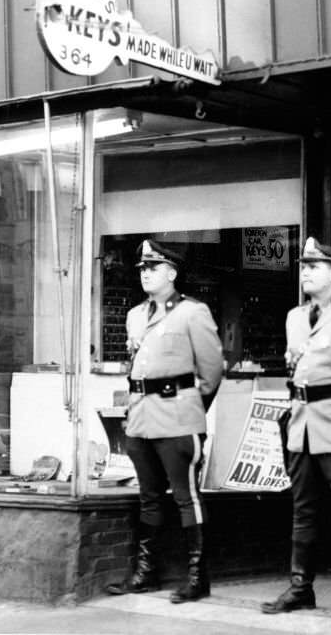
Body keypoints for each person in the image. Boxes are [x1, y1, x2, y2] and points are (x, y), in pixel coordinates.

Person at [105, 239, 224, 603]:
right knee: (149, 498)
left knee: (187, 498)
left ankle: (196, 577)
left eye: (153, 267)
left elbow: (212, 371)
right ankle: (146, 573)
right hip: (141, 420)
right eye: (142, 268)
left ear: (172, 273)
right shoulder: (135, 315)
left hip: (177, 419)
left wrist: (189, 408)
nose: (145, 273)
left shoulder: (193, 312)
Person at [262, 237, 331, 625]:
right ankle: (300, 587)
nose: (305, 271)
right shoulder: (294, 317)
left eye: (314, 266)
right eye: (303, 265)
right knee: (303, 511)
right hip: (302, 429)